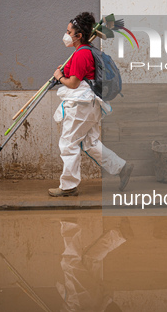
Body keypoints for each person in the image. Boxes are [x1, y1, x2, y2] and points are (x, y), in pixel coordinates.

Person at [50, 12, 133, 197]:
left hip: (80, 105)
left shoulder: (81, 54)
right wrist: (65, 70)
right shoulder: (86, 51)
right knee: (90, 142)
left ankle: (68, 186)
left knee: (68, 143)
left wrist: (59, 77)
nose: (66, 35)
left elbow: (73, 83)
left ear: (78, 36)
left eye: (68, 31)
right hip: (90, 104)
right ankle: (122, 168)